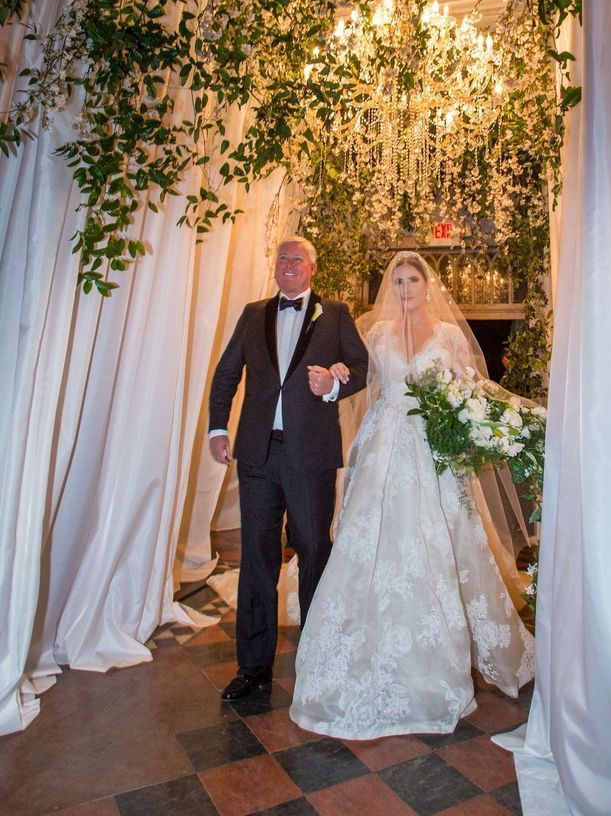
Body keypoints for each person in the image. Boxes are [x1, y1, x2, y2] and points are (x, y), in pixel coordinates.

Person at [289, 250, 535, 739]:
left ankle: (439, 649)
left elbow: (469, 388)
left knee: (439, 538)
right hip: (383, 441)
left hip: (431, 444)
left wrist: (476, 422)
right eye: (398, 281)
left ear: (428, 286)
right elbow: (357, 374)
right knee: (374, 538)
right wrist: (335, 376)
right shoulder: (375, 333)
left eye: (412, 281)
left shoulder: (448, 336)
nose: (404, 289)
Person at [208, 236, 368, 702]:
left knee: (315, 552)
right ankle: (253, 668)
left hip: (310, 456)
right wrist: (218, 427)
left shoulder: (334, 314)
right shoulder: (253, 313)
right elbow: (227, 373)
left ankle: (317, 662)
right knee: (257, 559)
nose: (288, 264)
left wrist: (332, 385)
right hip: (257, 455)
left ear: (313, 268)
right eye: (282, 258)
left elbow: (361, 367)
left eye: (297, 259)